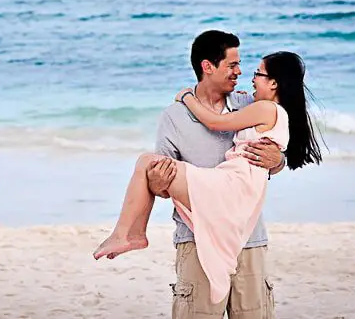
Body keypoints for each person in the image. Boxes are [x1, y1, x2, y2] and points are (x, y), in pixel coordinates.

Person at [94, 30, 323, 317]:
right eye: (232, 65)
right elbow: (160, 180)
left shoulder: (250, 104)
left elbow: (270, 152)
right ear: (207, 66)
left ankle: (128, 233)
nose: (241, 73)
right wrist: (158, 181)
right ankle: (131, 234)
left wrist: (278, 160)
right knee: (147, 164)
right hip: (196, 236)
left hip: (247, 237)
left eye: (247, 68)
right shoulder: (173, 117)